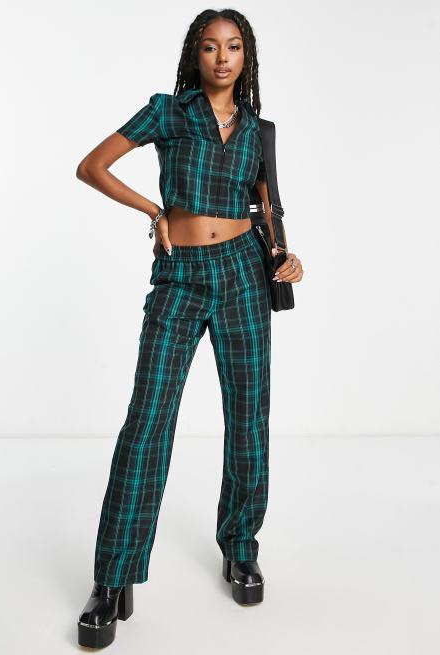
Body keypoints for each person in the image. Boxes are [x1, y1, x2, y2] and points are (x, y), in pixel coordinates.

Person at [75, 8, 304, 649]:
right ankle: (112, 576)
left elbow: (267, 209)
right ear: (194, 55)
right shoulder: (168, 112)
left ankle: (241, 547)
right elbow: (92, 166)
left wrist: (286, 255)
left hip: (244, 274)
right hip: (179, 276)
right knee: (148, 419)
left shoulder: (258, 129)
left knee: (248, 416)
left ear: (247, 57)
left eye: (233, 47)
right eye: (210, 47)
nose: (222, 58)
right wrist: (155, 212)